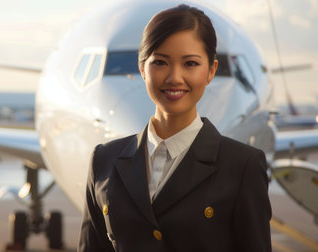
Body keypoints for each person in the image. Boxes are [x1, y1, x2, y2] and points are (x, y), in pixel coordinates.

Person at [78, 4, 272, 252]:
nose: (174, 78)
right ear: (142, 68)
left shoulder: (243, 166)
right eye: (160, 62)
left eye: (190, 63)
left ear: (210, 71)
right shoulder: (104, 161)